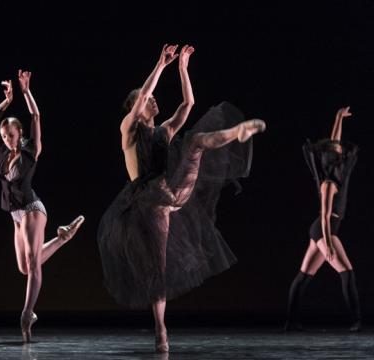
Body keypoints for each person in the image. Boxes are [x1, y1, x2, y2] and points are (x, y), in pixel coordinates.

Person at [98, 44, 266, 352]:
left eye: (152, 99)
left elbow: (188, 104)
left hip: (172, 193)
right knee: (158, 270)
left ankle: (237, 132)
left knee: (196, 140)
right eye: (147, 99)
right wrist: (160, 65)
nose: (153, 101)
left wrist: (183, 69)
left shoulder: (164, 131)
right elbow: (138, 105)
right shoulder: (129, 130)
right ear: (136, 106)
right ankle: (161, 331)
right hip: (146, 204)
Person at [0, 70, 85, 342]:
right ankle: (64, 237)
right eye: (5, 135)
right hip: (16, 215)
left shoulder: (31, 151)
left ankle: (26, 314)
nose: (8, 138)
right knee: (24, 268)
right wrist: (7, 100)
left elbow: (36, 117)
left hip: (32, 209)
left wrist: (26, 91)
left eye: (12, 134)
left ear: (20, 134)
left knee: (33, 265)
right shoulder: (2, 153)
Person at [285, 106, 361, 331]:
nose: (341, 153)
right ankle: (356, 321)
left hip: (320, 230)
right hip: (324, 230)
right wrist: (327, 242)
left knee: (304, 275)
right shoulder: (328, 184)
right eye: (337, 154)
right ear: (334, 162)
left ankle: (291, 322)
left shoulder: (335, 177)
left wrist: (338, 118)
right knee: (347, 273)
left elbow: (334, 143)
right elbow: (325, 216)